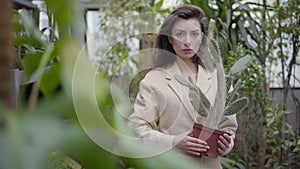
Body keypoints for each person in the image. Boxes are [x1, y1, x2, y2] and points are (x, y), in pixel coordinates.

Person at [129, 4, 238, 169]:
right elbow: (137, 128)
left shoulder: (219, 78)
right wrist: (173, 141)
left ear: (202, 37)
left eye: (194, 34)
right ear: (170, 38)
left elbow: (228, 127)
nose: (187, 42)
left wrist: (226, 145)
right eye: (180, 34)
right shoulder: (154, 79)